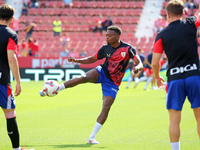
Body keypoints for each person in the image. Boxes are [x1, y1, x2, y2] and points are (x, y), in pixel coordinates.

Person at [40, 25, 143, 144]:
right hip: (103, 72)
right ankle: (58, 88)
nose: (107, 37)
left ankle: (92, 137)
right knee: (85, 77)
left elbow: (139, 63)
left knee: (106, 107)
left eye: (109, 35)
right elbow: (91, 59)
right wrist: (76, 60)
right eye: (106, 35)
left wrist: (137, 68)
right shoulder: (105, 48)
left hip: (113, 82)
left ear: (117, 36)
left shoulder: (128, 48)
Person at [152, 1, 200, 150]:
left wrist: (156, 77)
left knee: (174, 120)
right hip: (194, 76)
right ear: (184, 13)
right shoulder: (191, 22)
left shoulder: (161, 35)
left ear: (167, 15)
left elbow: (155, 62)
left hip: (174, 79)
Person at [0, 4, 22, 150]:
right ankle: (16, 148)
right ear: (12, 19)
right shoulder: (11, 34)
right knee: (10, 114)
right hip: (2, 80)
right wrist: (18, 82)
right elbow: (11, 58)